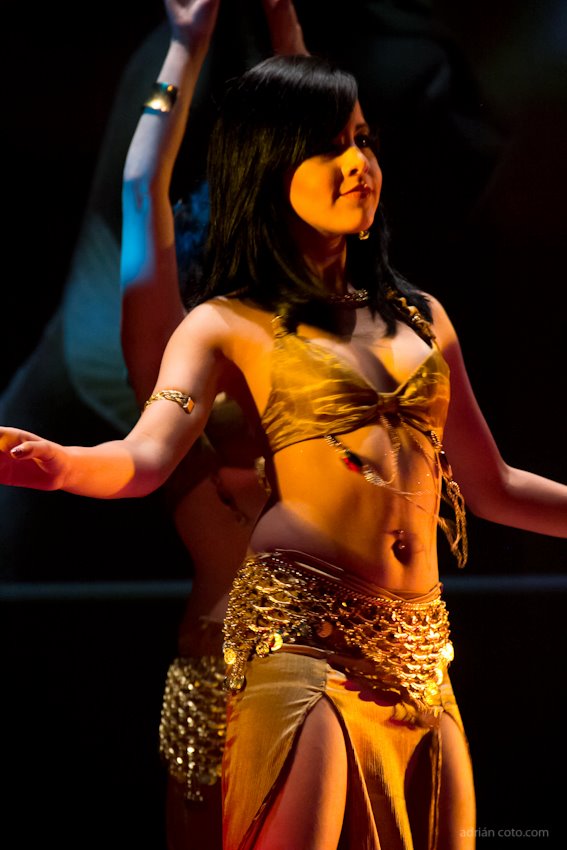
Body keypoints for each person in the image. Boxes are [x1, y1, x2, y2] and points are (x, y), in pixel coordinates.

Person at [2, 20, 567, 850]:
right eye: (329, 148)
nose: (358, 163)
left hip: (421, 662)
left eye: (364, 141)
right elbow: (144, 455)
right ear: (268, 170)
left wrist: (282, 24)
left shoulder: (420, 318)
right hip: (293, 652)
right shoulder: (220, 329)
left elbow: (492, 485)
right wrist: (59, 464)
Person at [119, 1, 306, 847]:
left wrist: (283, 27)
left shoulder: (324, 344)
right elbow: (139, 191)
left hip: (344, 665)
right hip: (217, 679)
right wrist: (184, 45)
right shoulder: (172, 359)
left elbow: (317, 164)